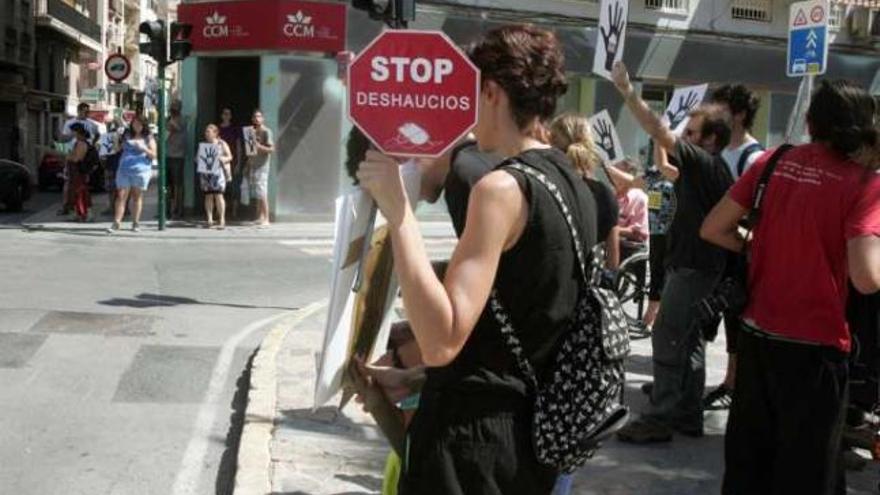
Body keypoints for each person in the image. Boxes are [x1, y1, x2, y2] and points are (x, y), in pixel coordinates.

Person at [355, 25, 595, 494]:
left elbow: (442, 339)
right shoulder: (571, 181)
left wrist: (400, 213)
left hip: (471, 451)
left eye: (467, 93)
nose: (463, 114)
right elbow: (522, 327)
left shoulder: (500, 190)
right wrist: (417, 377)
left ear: (492, 92)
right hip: (532, 441)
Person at [701, 80, 880, 495]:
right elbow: (867, 278)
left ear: (809, 121)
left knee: (749, 467)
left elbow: (713, 228)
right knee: (807, 473)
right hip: (815, 350)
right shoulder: (864, 184)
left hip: (757, 339)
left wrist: (756, 247)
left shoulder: (773, 161)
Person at [610, 61, 734, 443]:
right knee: (691, 341)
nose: (684, 138)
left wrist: (629, 94)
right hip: (701, 268)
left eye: (692, 133)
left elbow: (659, 132)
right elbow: (662, 170)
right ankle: (687, 414)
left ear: (710, 140)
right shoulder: (705, 170)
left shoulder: (706, 162)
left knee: (666, 336)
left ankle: (661, 417)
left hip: (694, 269)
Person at [550, 113, 621, 270]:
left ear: (552, 144)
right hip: (586, 288)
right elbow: (613, 260)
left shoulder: (547, 187)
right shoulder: (605, 194)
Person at [642, 141, 677, 330]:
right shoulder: (654, 173)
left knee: (666, 272)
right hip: (655, 231)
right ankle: (652, 312)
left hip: (673, 231)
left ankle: (658, 314)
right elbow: (632, 181)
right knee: (656, 270)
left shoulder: (679, 173)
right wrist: (608, 166)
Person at [111, 115, 156, 232]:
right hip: (124, 169)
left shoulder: (148, 137)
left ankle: (135, 223)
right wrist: (116, 140)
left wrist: (143, 148)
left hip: (140, 170)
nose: (136, 126)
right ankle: (116, 222)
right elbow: (117, 149)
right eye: (134, 124)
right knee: (121, 196)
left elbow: (154, 155)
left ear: (144, 125)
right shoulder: (127, 135)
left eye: (139, 124)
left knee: (137, 196)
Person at [58, 103, 101, 216]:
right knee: (69, 182)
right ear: (78, 111)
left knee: (81, 185)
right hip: (72, 152)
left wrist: (92, 144)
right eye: (84, 111)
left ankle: (82, 210)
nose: (86, 114)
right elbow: (62, 138)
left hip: (82, 156)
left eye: (88, 112)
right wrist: (72, 136)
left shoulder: (91, 124)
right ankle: (68, 206)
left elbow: (97, 135)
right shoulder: (69, 123)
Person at [198, 124, 233, 228]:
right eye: (206, 132)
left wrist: (223, 159)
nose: (206, 134)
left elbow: (230, 156)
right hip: (206, 173)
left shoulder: (221, 144)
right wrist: (200, 159)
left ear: (215, 133)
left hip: (218, 173)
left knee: (219, 195)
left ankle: (222, 219)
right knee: (208, 195)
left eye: (209, 132)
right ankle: (209, 219)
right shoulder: (203, 145)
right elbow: (197, 158)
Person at [246, 109, 274, 227]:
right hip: (254, 164)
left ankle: (267, 218)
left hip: (262, 165)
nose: (257, 119)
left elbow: (271, 149)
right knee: (257, 192)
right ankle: (260, 217)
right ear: (252, 119)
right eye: (255, 117)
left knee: (262, 192)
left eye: (259, 116)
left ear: (263, 118)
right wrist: (248, 164)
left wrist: (259, 146)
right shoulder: (251, 132)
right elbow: (250, 151)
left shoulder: (266, 131)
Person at [218, 108, 243, 220]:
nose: (226, 115)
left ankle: (234, 211)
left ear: (231, 116)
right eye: (224, 113)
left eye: (228, 113)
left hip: (232, 160)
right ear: (222, 115)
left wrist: (238, 161)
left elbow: (238, 146)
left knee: (234, 186)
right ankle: (220, 211)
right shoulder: (217, 129)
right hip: (219, 161)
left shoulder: (235, 129)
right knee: (220, 186)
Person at [66, 123, 94, 222]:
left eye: (73, 131)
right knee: (77, 193)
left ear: (77, 132)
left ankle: (86, 213)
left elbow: (77, 158)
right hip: (76, 172)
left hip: (79, 172)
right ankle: (78, 213)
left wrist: (68, 157)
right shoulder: (79, 142)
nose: (71, 133)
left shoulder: (81, 143)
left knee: (81, 193)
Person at [166, 102, 186, 219]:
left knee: (178, 184)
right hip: (167, 155)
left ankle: (179, 209)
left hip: (178, 156)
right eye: (171, 108)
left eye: (175, 108)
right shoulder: (168, 119)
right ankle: (167, 209)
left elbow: (176, 128)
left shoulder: (181, 120)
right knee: (167, 185)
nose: (172, 110)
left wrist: (171, 120)